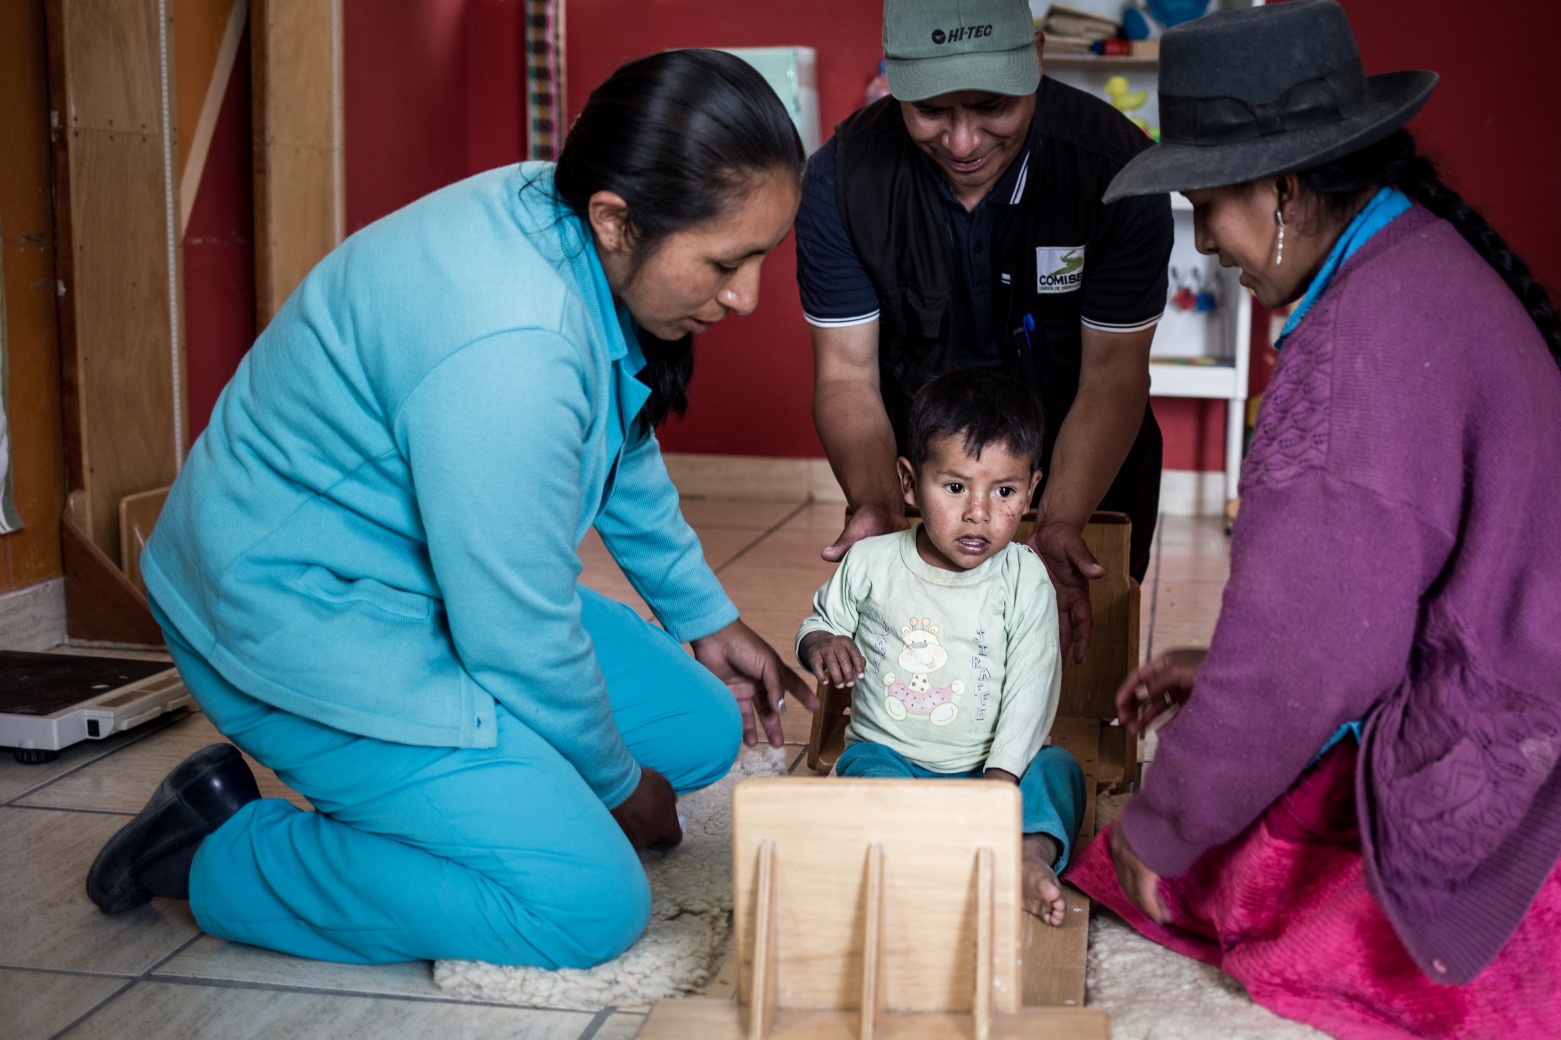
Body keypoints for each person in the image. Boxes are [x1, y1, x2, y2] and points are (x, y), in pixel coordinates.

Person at [1064, 2, 1561, 1036]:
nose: (1207, 240)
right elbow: (1380, 586)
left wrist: (1161, 831)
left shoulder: (1350, 351)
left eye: (1210, 205)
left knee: (1247, 879)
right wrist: (1230, 672)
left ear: (1287, 190)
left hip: (1540, 715)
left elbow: (1312, 659)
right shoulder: (1418, 253)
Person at [84, 50, 819, 970]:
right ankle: (213, 850)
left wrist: (705, 617)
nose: (747, 296)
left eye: (760, 257)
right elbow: (516, 630)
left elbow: (616, 433)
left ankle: (488, 787)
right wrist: (616, 787)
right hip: (292, 614)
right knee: (585, 905)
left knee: (702, 729)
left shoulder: (567, 217)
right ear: (617, 219)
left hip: (421, 586)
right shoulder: (512, 346)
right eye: (725, 262)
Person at [797, 0, 1175, 663]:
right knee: (926, 686)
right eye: (932, 111)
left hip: (1088, 470)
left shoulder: (1118, 172)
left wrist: (1060, 520)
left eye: (992, 106)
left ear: (1033, 53)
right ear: (895, 77)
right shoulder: (841, 179)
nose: (963, 141)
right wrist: (879, 505)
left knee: (1074, 690)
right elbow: (846, 376)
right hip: (921, 482)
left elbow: (1114, 376)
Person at [797, 368, 1085, 927]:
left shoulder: (1026, 577)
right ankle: (913, 853)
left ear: (1032, 491)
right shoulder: (873, 561)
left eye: (1004, 491)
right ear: (909, 483)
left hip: (989, 770)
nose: (978, 512)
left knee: (1057, 769)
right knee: (862, 772)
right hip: (891, 755)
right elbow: (818, 621)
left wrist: (1003, 779)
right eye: (955, 488)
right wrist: (822, 644)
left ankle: (1025, 860)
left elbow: (1033, 686)